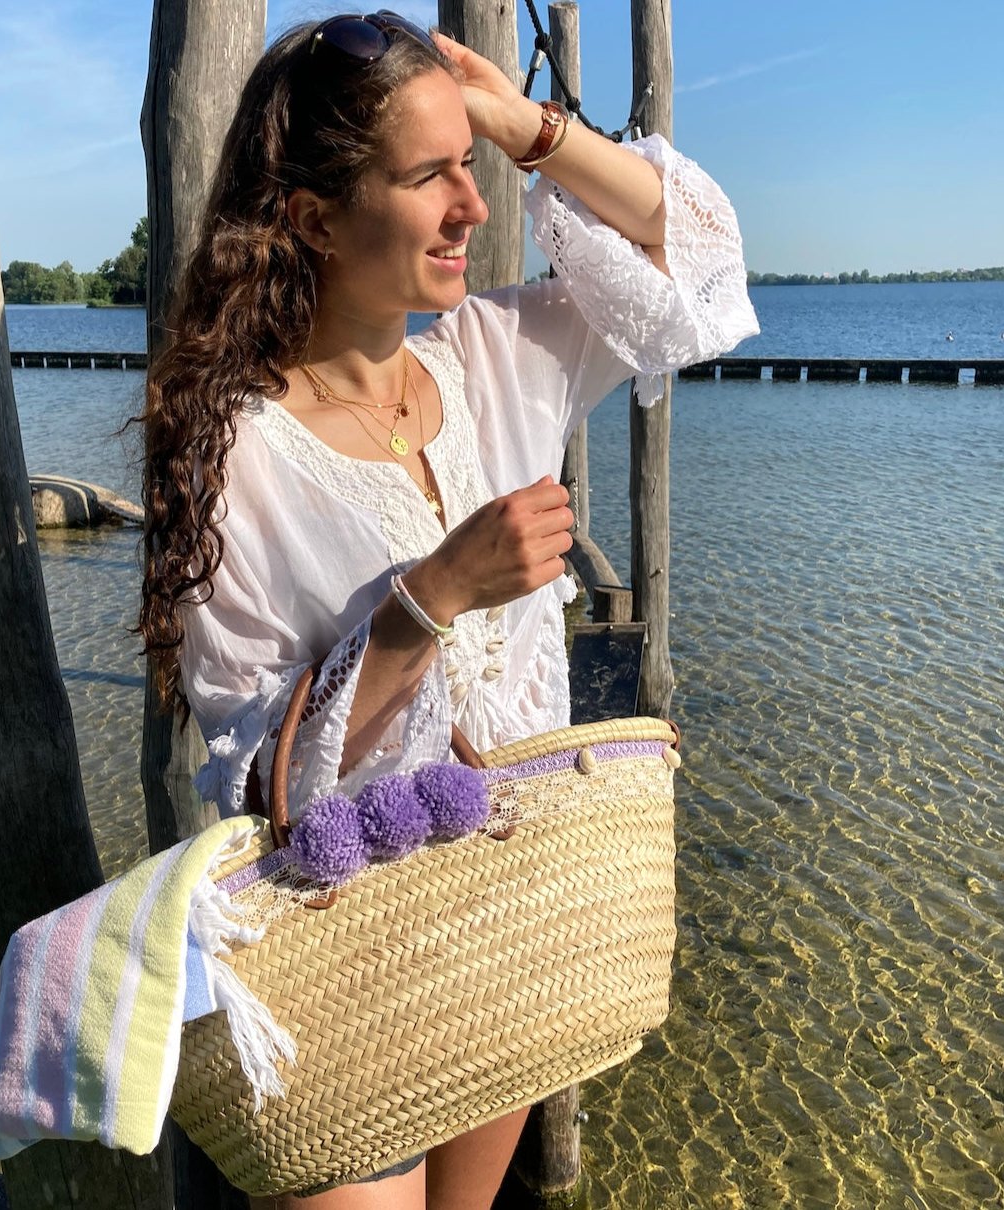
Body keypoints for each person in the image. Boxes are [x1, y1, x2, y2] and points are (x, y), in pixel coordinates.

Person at [139, 11, 757, 1208]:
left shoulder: (500, 355)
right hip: (338, 956)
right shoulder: (234, 457)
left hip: (504, 924)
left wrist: (523, 125)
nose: (473, 207)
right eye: (429, 176)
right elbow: (257, 785)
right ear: (314, 217)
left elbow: (707, 267)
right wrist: (427, 600)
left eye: (464, 167)